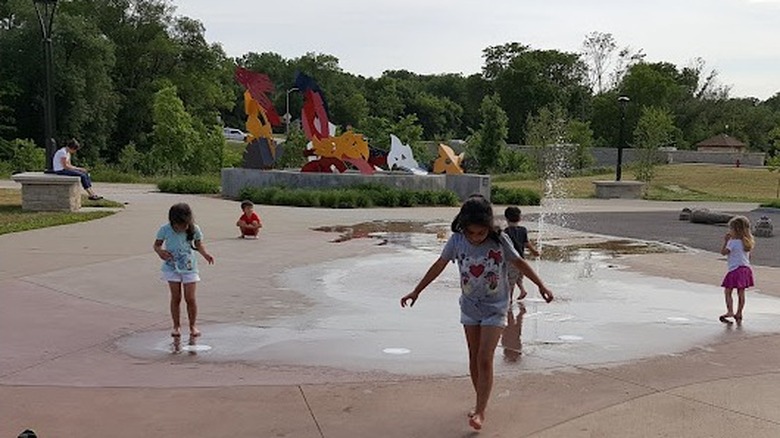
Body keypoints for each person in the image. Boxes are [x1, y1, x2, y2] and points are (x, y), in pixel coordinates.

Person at [400, 195, 554, 431]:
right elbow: (438, 266)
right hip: (470, 308)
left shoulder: (499, 240)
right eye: (470, 233)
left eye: (480, 233)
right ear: (463, 226)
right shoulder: (457, 240)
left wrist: (541, 285)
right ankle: (479, 400)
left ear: (489, 226)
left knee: (485, 357)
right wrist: (416, 291)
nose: (475, 238)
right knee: (473, 357)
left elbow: (520, 263)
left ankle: (481, 411)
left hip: (496, 308)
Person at [153, 203, 214, 340]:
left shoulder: (194, 229)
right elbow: (156, 245)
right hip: (171, 267)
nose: (181, 228)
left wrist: (205, 254)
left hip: (189, 267)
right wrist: (160, 252)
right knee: (176, 297)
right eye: (178, 225)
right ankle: (176, 326)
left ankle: (193, 325)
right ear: (172, 221)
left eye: (184, 225)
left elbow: (198, 244)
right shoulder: (165, 229)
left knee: (190, 298)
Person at [718, 215, 755, 325]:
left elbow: (723, 252)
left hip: (735, 269)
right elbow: (748, 257)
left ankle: (730, 311)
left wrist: (725, 241)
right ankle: (739, 313)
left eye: (731, 229)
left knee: (728, 291)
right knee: (741, 292)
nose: (729, 231)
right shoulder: (747, 242)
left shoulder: (732, 242)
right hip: (745, 269)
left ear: (736, 230)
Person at [503, 206, 541, 301]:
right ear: (520, 218)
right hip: (522, 260)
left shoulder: (506, 232)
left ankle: (509, 299)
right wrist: (534, 251)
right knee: (518, 278)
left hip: (512, 260)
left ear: (506, 218)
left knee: (510, 281)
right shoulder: (523, 230)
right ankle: (522, 290)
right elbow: (526, 243)